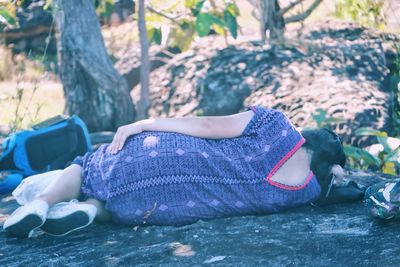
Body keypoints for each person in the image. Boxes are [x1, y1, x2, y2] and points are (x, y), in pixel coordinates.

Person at [3, 105, 346, 238]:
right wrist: (335, 176)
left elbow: (209, 124)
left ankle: (43, 202)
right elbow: (340, 181)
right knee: (122, 205)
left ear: (310, 136)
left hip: (167, 156)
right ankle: (90, 209)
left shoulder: (276, 124)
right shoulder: (308, 192)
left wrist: (145, 123)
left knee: (88, 164)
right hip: (172, 207)